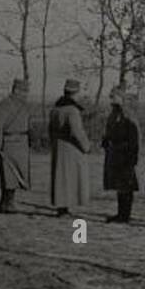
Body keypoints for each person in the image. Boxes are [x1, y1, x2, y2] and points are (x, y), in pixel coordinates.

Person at [49, 77, 91, 217]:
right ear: (75, 93)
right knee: (70, 178)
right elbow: (76, 131)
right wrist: (86, 146)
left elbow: (50, 130)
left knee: (60, 178)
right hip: (71, 148)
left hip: (58, 146)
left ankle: (62, 207)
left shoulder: (56, 108)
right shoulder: (72, 110)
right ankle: (65, 208)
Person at [0, 77, 31, 213]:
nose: (26, 94)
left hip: (21, 143)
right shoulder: (5, 105)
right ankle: (6, 203)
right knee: (8, 174)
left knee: (17, 174)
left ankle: (9, 201)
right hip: (8, 143)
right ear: (16, 90)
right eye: (24, 91)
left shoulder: (23, 106)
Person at [101, 86, 140, 223]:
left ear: (121, 97)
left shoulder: (128, 113)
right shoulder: (113, 113)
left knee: (126, 185)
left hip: (126, 153)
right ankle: (121, 213)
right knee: (119, 185)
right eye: (111, 96)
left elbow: (135, 135)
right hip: (116, 153)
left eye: (114, 96)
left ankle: (125, 215)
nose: (111, 99)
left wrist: (133, 155)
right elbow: (109, 130)